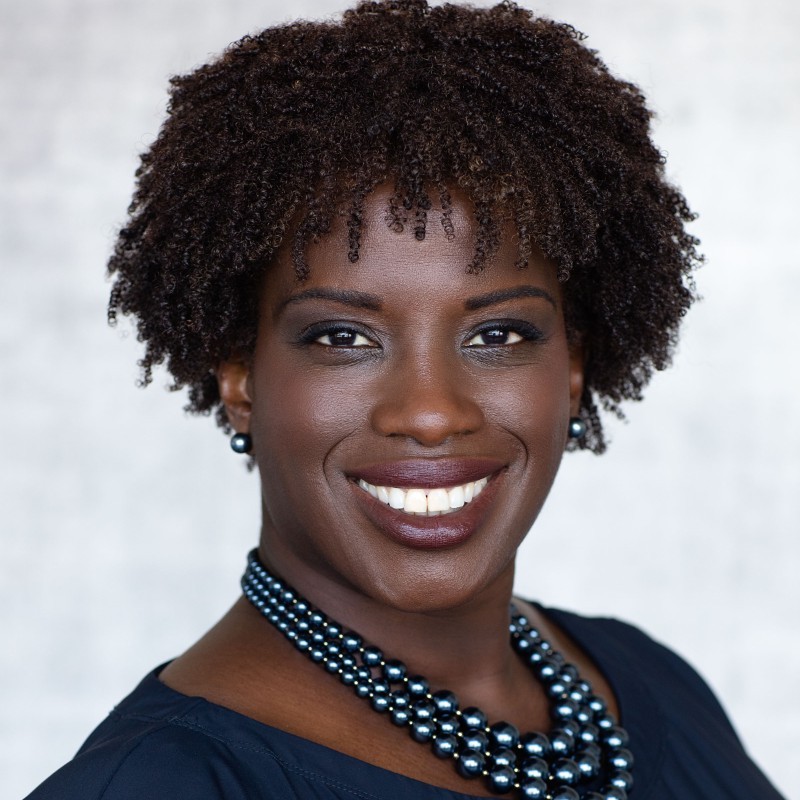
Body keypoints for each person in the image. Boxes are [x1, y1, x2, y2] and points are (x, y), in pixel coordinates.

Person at [25, 1, 785, 798]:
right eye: (342, 338)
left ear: (572, 368)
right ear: (239, 378)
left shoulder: (648, 683)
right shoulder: (161, 783)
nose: (429, 411)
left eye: (498, 336)